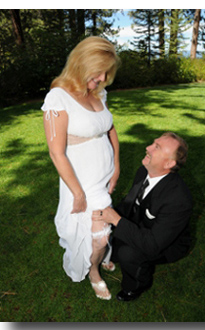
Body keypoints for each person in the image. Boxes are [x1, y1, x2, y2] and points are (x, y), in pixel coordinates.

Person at [41, 36, 120, 300]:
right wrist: (77, 193)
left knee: (100, 229)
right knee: (99, 234)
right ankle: (94, 271)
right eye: (98, 73)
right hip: (81, 180)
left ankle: (100, 257)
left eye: (105, 74)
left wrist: (117, 165)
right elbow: (56, 152)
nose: (101, 79)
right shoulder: (58, 98)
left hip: (104, 175)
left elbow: (110, 128)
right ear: (81, 64)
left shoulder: (98, 92)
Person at [92, 132, 193, 301]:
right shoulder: (143, 171)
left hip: (166, 245)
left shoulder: (178, 200)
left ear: (169, 163)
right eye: (153, 143)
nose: (147, 148)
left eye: (156, 147)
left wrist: (116, 220)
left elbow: (152, 245)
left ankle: (134, 287)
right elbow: (129, 203)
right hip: (141, 228)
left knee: (128, 254)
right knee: (108, 247)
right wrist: (107, 214)